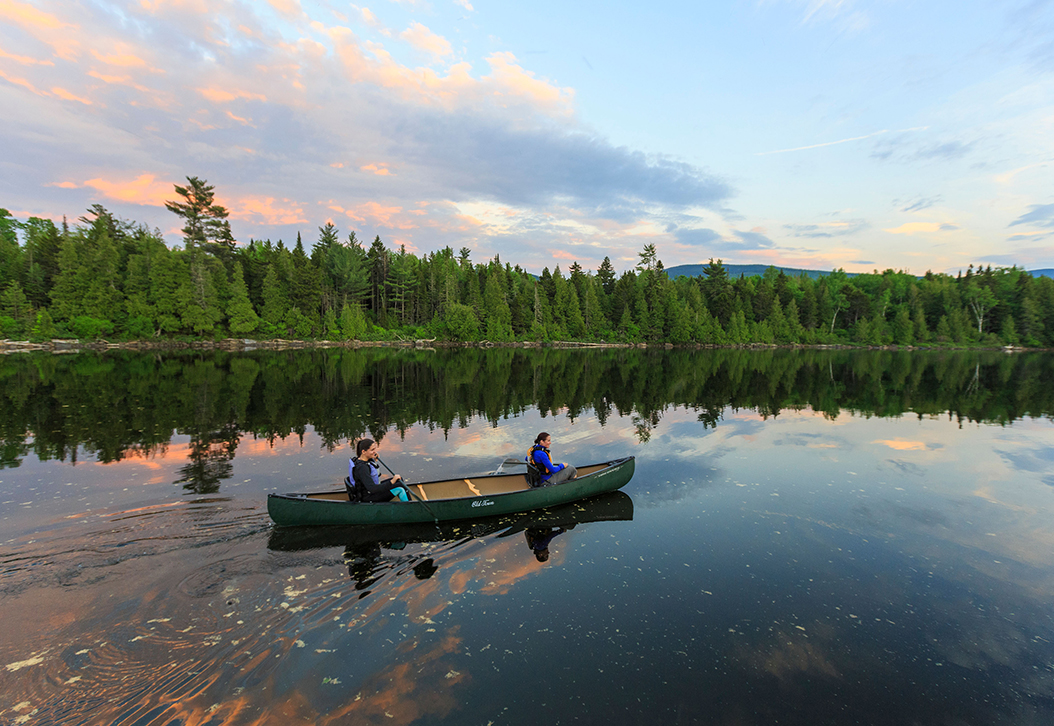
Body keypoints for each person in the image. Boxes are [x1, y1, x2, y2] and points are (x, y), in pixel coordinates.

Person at [349, 438, 410, 502]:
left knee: (399, 480)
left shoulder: (359, 460)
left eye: (374, 449)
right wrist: (391, 482)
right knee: (400, 488)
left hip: (370, 491)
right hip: (368, 497)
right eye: (372, 450)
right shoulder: (362, 468)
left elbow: (369, 468)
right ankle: (410, 507)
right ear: (363, 451)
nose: (375, 452)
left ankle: (409, 502)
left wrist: (373, 459)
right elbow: (372, 489)